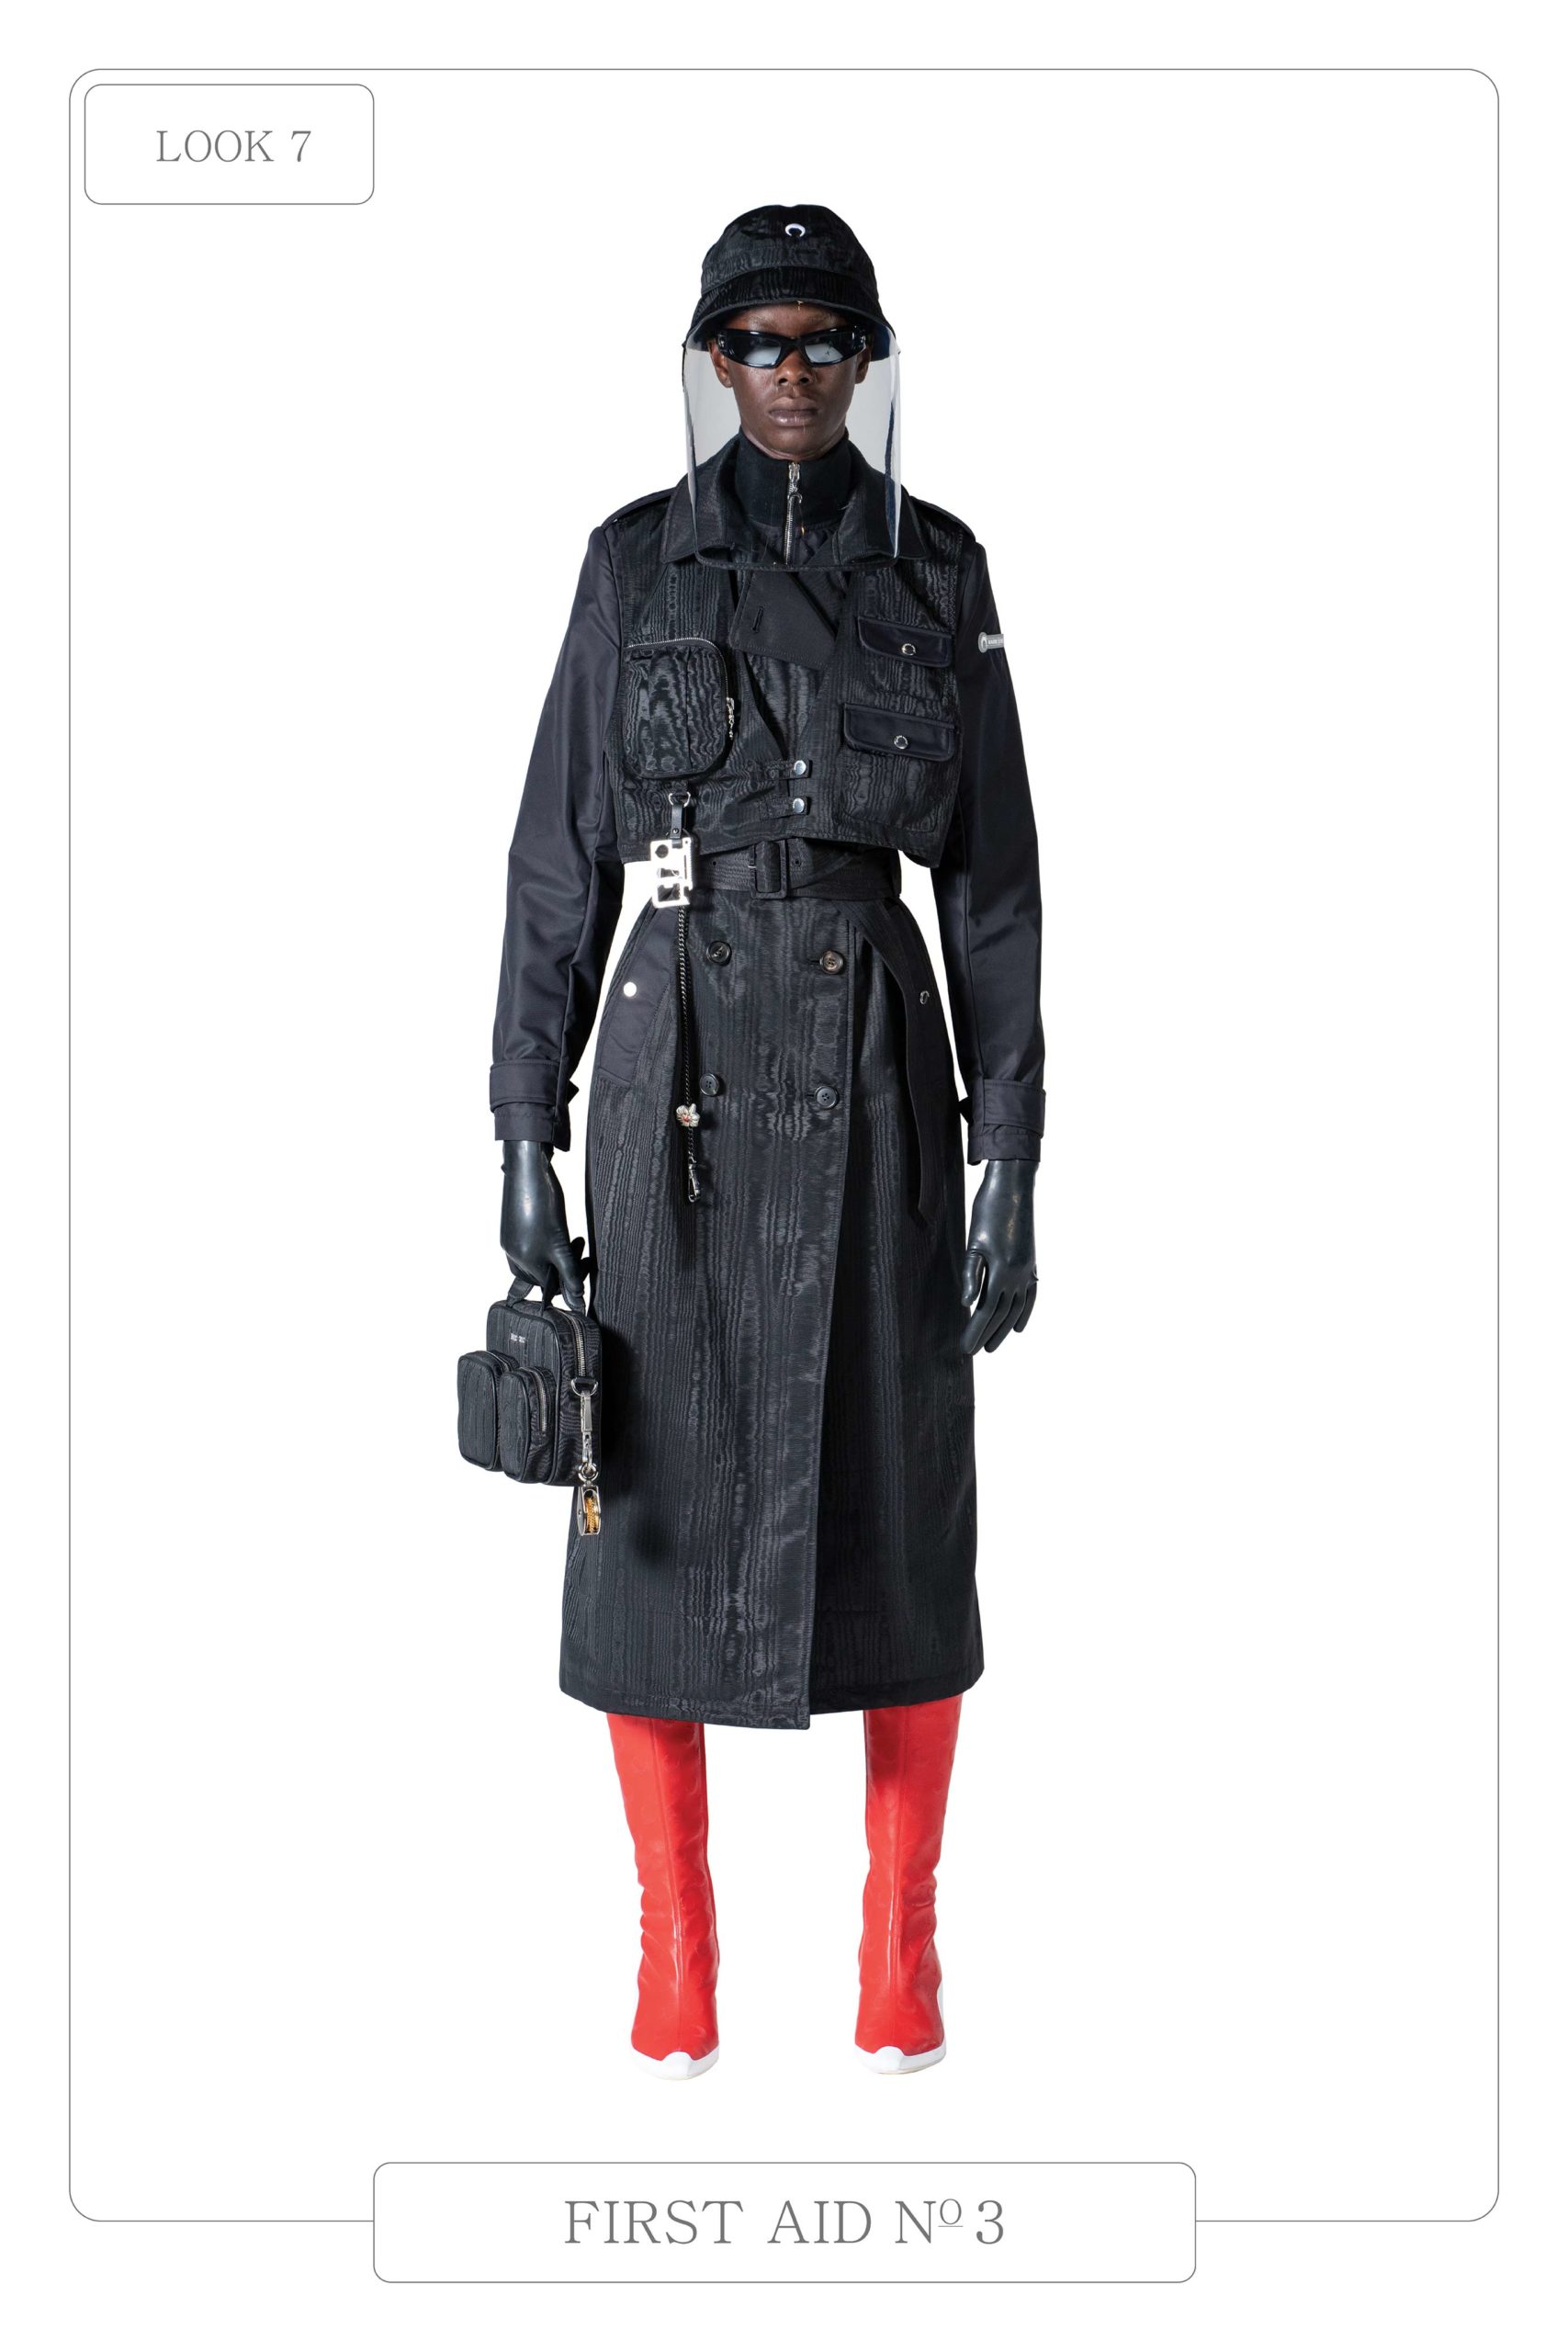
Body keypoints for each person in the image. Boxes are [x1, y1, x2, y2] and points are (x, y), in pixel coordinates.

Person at [490, 205, 1044, 2076]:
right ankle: (676, 1941)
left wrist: (1012, 1144)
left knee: (903, 1498)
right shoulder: (631, 562)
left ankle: (901, 1939)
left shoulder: (938, 568)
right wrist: (522, 1121)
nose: (791, 371)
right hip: (676, 1066)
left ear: (864, 363)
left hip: (878, 1064)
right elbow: (556, 864)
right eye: (758, 340)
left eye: (822, 341)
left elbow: (993, 880)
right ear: (713, 360)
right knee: (640, 1497)